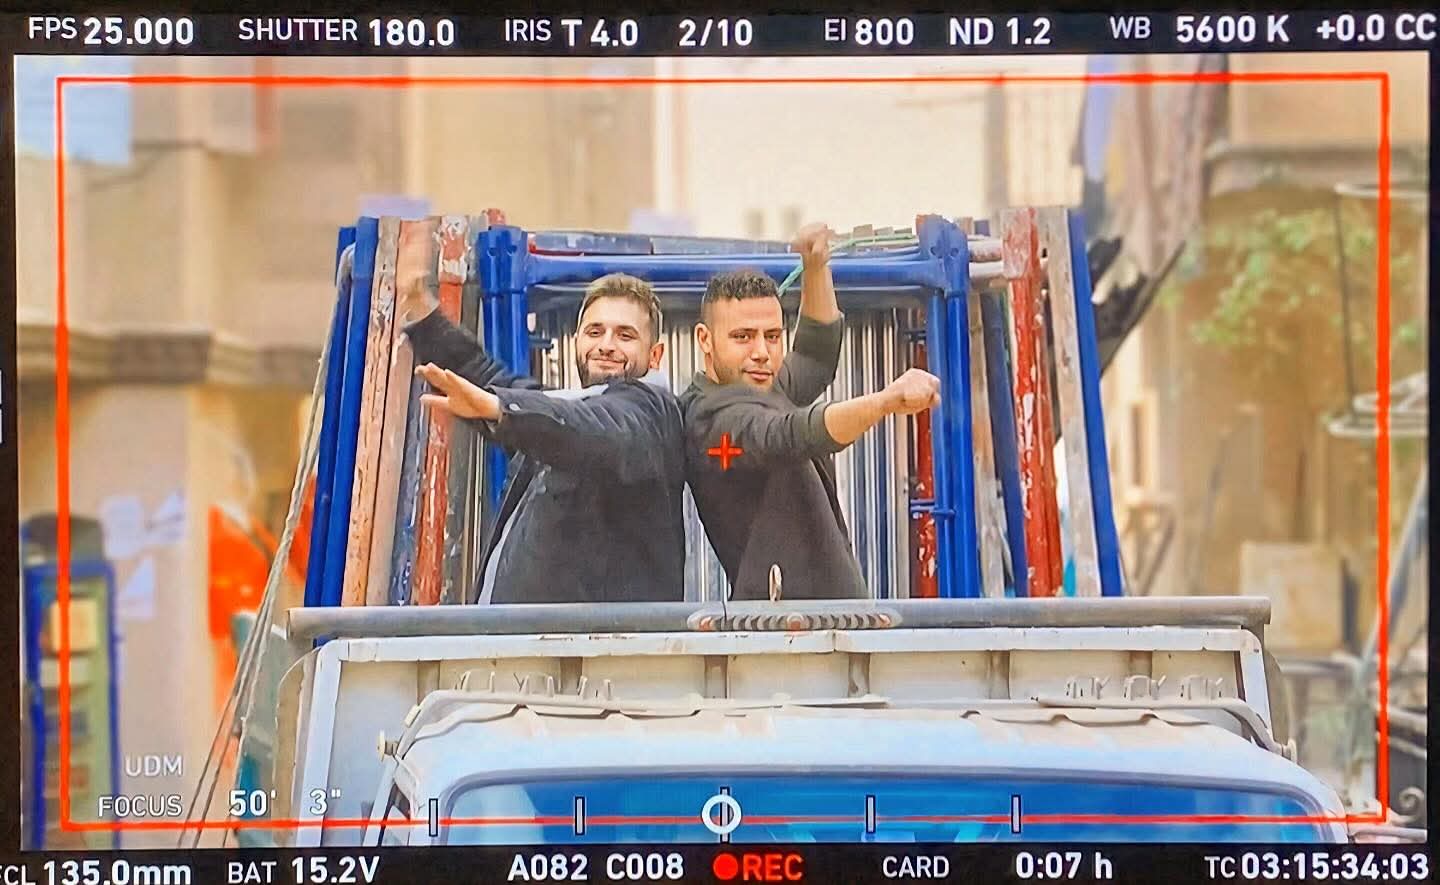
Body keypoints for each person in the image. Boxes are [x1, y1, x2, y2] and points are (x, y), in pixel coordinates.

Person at [399, 261, 685, 604]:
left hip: (589, 640)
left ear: (655, 355)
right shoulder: (565, 407)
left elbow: (592, 429)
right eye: (595, 332)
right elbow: (485, 378)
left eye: (625, 335)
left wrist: (501, 409)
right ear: (577, 341)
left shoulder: (652, 413)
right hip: (524, 637)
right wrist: (421, 308)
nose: (606, 345)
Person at [681, 224, 941, 601]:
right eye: (743, 337)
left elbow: (815, 354)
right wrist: (886, 401)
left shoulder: (762, 386)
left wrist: (815, 266)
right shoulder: (708, 420)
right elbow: (788, 434)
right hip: (780, 627)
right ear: (705, 339)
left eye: (772, 336)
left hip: (823, 619)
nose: (761, 352)